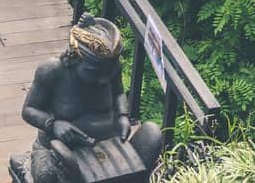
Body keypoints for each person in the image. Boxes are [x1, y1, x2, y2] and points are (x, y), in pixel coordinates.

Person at [10, 14, 163, 183]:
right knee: (46, 176)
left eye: (108, 74)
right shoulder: (52, 71)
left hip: (109, 144)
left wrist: (122, 116)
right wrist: (52, 124)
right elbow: (29, 110)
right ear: (74, 59)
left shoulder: (109, 68)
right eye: (94, 73)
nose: (103, 80)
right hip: (60, 149)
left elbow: (118, 93)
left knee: (152, 133)